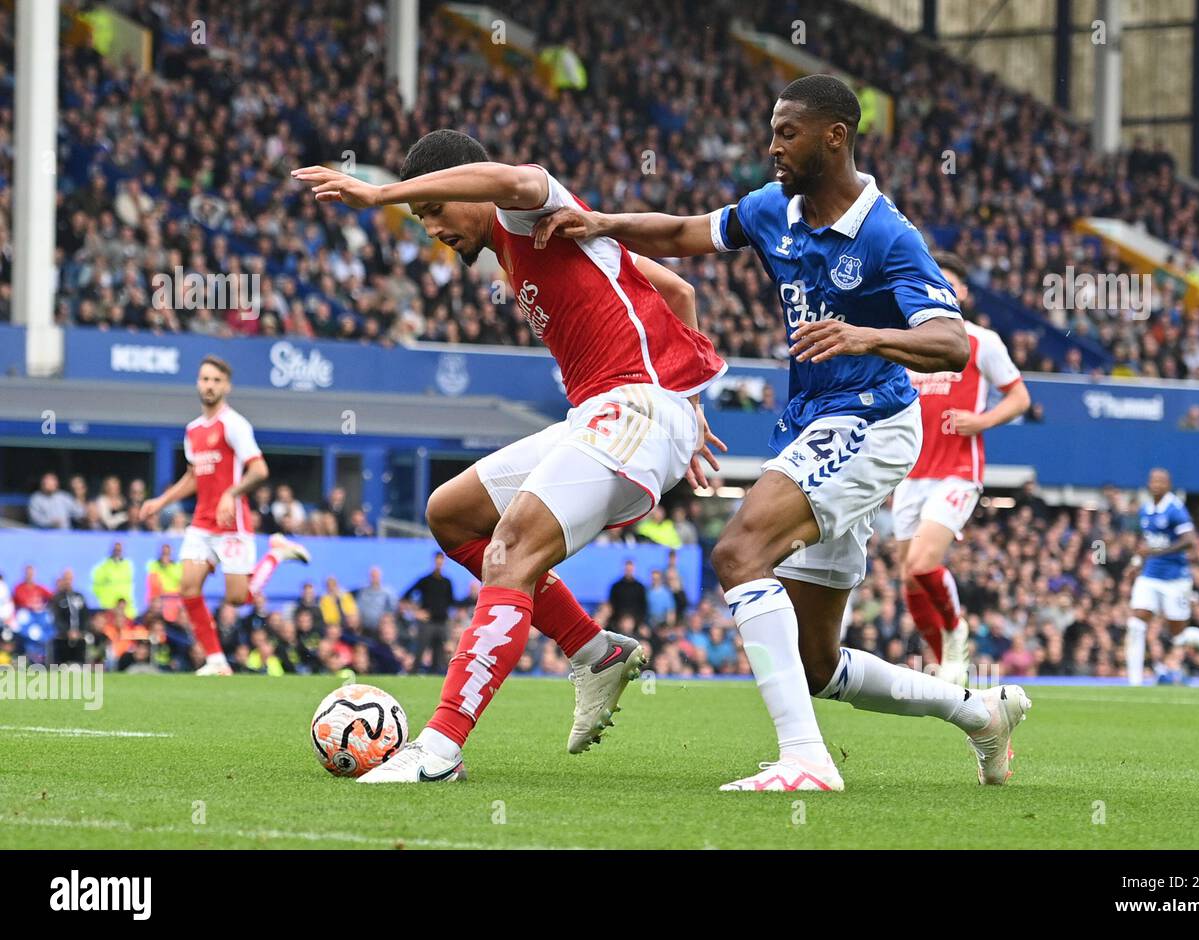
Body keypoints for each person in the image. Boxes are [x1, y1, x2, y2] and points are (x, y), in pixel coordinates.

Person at [534, 75, 1030, 791]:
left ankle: (805, 760)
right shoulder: (774, 209)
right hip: (815, 425)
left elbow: (951, 344)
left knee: (739, 553)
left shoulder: (889, 235)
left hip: (871, 421)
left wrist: (862, 334)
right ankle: (980, 713)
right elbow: (685, 233)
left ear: (836, 136)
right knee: (815, 660)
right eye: (771, 131)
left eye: (786, 132)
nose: (772, 146)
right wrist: (603, 222)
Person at [293, 126, 727, 782]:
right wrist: (690, 409)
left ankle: (438, 751)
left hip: (632, 409)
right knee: (453, 513)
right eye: (419, 218)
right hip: (607, 415)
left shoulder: (527, 216)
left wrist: (381, 193)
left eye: (434, 210)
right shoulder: (519, 249)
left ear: (467, 184)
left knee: (509, 552)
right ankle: (594, 651)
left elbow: (518, 177)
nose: (432, 228)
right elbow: (679, 294)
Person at [893, 251, 1031, 684]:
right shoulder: (909, 343)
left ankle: (956, 630)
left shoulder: (980, 342)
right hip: (909, 476)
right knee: (910, 582)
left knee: (921, 563)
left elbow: (1020, 397)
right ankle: (942, 666)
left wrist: (983, 420)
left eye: (950, 282)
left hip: (956, 473)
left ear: (963, 293)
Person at [140, 356, 311, 675]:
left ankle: (276, 554)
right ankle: (216, 660)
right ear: (197, 383)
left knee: (238, 599)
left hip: (233, 523)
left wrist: (231, 494)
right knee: (188, 589)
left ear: (226, 386)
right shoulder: (192, 430)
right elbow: (193, 477)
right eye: (205, 379)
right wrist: (159, 502)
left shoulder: (234, 424)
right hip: (202, 524)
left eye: (216, 380)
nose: (209, 385)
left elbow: (259, 469)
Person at [1125, 467, 1199, 685]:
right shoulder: (1146, 509)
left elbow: (1189, 540)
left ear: (1168, 485)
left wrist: (1157, 553)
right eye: (1152, 480)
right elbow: (1148, 541)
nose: (1155, 484)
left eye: (1160, 481)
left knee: (1177, 635)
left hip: (1175, 578)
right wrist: (1137, 562)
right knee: (1137, 622)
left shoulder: (1175, 509)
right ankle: (1133, 682)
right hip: (1150, 576)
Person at [608, 560, 648, 626]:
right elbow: (612, 605)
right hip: (618, 622)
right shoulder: (616, 586)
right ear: (624, 569)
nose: (629, 571)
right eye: (627, 569)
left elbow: (643, 606)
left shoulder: (640, 587)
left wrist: (639, 623)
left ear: (633, 569)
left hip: (636, 623)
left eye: (630, 569)